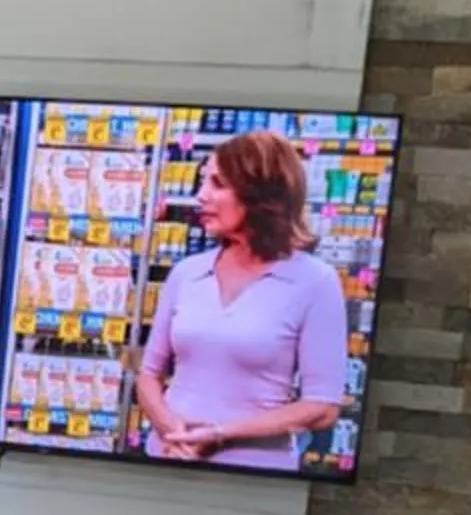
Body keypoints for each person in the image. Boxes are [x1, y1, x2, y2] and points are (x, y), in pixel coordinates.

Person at [136, 128, 349, 471]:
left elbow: (322, 407)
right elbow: (148, 375)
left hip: (254, 475)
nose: (200, 196)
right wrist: (171, 430)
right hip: (168, 461)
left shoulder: (315, 282)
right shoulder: (187, 273)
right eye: (202, 181)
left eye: (218, 184)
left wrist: (221, 434)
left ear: (260, 194)